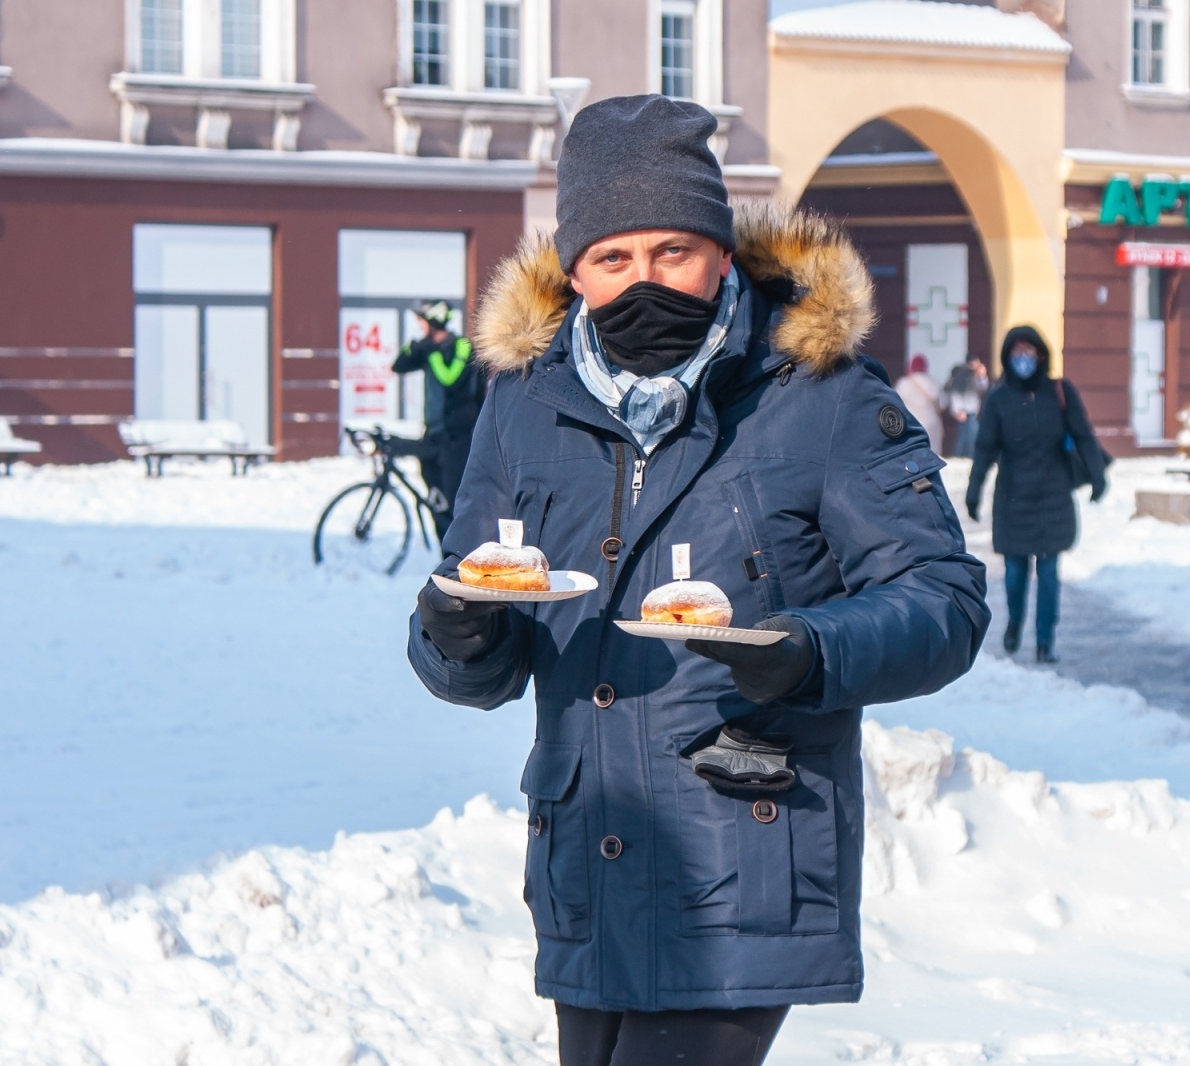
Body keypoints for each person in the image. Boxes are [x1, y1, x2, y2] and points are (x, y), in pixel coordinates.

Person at [405, 95, 989, 1066]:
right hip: (588, 858)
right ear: (574, 269)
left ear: (720, 251)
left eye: (672, 251)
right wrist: (454, 634)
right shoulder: (523, 403)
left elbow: (945, 601)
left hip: (744, 856)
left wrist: (809, 652)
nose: (644, 282)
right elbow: (476, 625)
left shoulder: (821, 391)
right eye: (613, 259)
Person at [964, 325, 1107, 665]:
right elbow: (984, 449)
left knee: (1048, 574)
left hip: (1054, 497)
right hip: (1014, 498)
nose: (1024, 359)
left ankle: (1045, 641)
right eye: (1017, 352)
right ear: (1007, 357)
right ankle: (1014, 622)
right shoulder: (998, 398)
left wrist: (1098, 475)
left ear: (1041, 355)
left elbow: (1083, 434)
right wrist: (974, 490)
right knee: (1014, 575)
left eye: (1030, 351)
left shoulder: (1059, 392)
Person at [391, 300, 485, 536]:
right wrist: (415, 345)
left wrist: (431, 352)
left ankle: (459, 554)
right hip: (434, 433)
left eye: (421, 321)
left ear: (433, 321)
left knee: (454, 501)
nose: (419, 326)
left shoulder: (462, 345)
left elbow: (449, 378)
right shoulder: (428, 349)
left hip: (457, 438)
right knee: (437, 500)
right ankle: (443, 553)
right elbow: (399, 366)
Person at [894, 354, 946, 454]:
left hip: (911, 423)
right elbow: (943, 404)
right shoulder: (933, 382)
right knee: (933, 453)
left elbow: (895, 404)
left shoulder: (903, 383)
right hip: (931, 423)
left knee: (913, 453)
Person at [944, 353, 988, 458]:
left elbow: (983, 388)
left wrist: (982, 376)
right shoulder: (960, 373)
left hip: (972, 409)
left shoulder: (975, 374)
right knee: (966, 435)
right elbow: (955, 393)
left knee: (970, 434)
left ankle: (967, 456)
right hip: (962, 410)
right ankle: (961, 455)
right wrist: (958, 410)